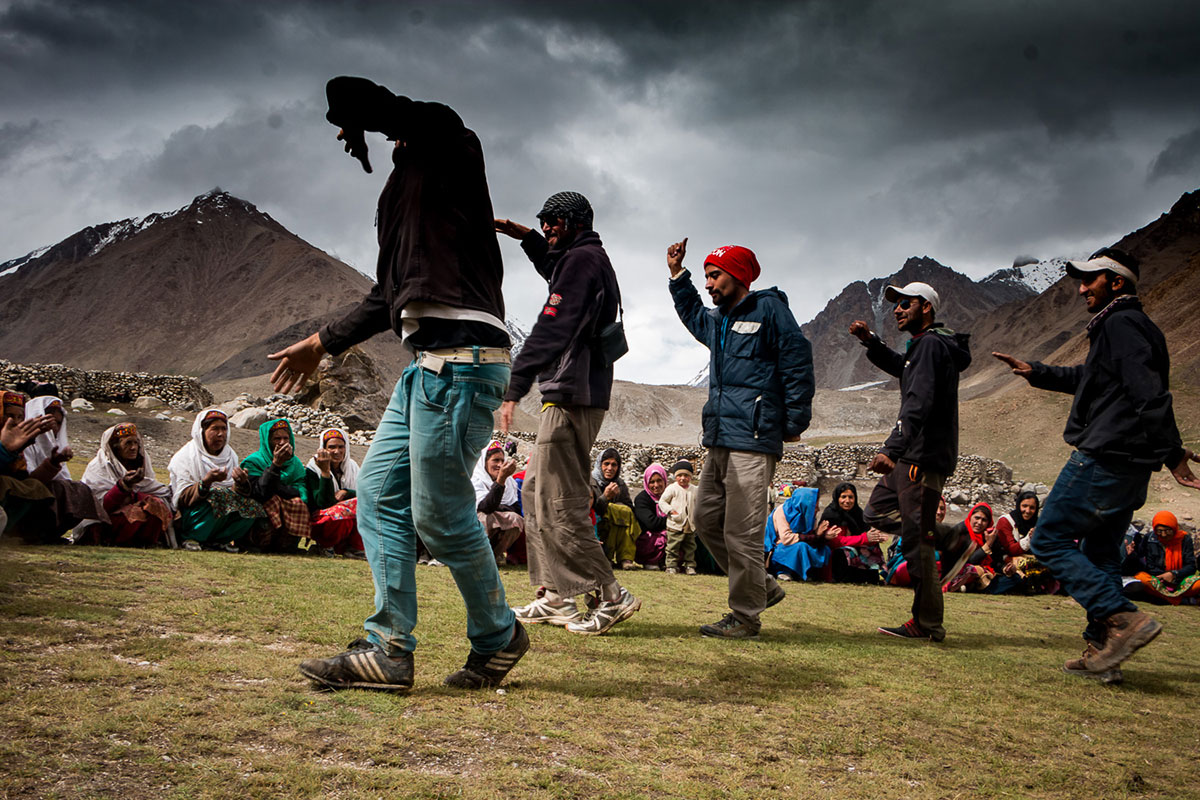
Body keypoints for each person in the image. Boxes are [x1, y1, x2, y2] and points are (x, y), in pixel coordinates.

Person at [274, 76, 526, 692]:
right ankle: (389, 648)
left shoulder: (450, 139)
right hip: (425, 372)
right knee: (380, 497)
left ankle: (497, 635)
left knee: (440, 516)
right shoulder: (398, 196)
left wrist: (353, 114)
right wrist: (318, 343)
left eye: (345, 124)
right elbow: (385, 296)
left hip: (463, 363)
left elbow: (368, 98)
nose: (343, 132)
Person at [993, 246, 1200, 683]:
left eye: (1091, 280)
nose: (1083, 288)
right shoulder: (1133, 327)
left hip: (1105, 456)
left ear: (1117, 282)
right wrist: (1038, 372)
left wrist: (1173, 454)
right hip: (1129, 466)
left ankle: (1121, 617)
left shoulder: (1121, 324)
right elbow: (1093, 380)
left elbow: (1148, 394)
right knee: (1102, 553)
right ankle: (1105, 651)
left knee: (1048, 539)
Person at [496, 191, 641, 636]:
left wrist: (514, 388)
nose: (546, 229)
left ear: (577, 221)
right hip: (568, 394)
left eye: (554, 222)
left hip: (572, 396)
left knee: (560, 501)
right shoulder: (581, 260)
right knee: (537, 493)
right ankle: (555, 595)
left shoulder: (582, 262)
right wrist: (529, 241)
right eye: (542, 223)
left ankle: (612, 595)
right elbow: (558, 267)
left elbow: (553, 325)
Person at [666, 237, 815, 638]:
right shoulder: (718, 321)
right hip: (718, 436)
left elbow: (797, 361)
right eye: (706, 277)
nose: (710, 283)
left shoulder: (769, 309)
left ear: (738, 275)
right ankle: (762, 587)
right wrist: (679, 277)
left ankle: (746, 616)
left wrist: (793, 422)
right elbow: (694, 314)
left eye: (714, 275)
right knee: (704, 518)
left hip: (752, 437)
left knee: (742, 531)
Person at [850, 281, 974, 640]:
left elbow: (917, 400)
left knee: (918, 544)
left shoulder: (932, 345)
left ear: (926, 307)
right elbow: (905, 370)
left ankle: (927, 623)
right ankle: (951, 536)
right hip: (916, 455)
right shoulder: (925, 347)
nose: (898, 309)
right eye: (896, 304)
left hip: (920, 455)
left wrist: (892, 449)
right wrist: (871, 341)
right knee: (874, 512)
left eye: (906, 303)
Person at [168, 408, 264, 551]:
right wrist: (206, 483)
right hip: (191, 514)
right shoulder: (186, 456)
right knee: (218, 494)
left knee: (252, 507)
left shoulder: (230, 456)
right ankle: (192, 537)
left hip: (219, 508)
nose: (220, 434)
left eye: (224, 429)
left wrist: (241, 483)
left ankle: (219, 540)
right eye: (214, 429)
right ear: (202, 431)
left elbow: (233, 492)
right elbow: (182, 498)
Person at [78, 423, 175, 548]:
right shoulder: (99, 467)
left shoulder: (141, 463)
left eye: (136, 443)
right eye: (128, 443)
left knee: (156, 504)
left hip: (132, 512)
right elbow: (100, 505)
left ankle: (147, 542)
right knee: (138, 511)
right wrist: (124, 486)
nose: (134, 447)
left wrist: (142, 498)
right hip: (106, 520)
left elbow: (153, 487)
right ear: (115, 446)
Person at [22, 395, 104, 540]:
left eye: (58, 423)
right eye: (48, 421)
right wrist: (51, 465)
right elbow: (27, 484)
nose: (53, 428)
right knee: (56, 490)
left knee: (78, 490)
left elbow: (65, 480)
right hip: (23, 500)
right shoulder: (24, 445)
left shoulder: (55, 446)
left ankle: (49, 534)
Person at [241, 419, 327, 552]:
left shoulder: (295, 464)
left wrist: (279, 489)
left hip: (288, 508)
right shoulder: (254, 462)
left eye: (285, 438)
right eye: (277, 439)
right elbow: (261, 492)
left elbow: (301, 489)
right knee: (273, 501)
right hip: (260, 516)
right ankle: (257, 544)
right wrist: (276, 464)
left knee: (297, 503)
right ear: (267, 441)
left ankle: (287, 545)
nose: (282, 443)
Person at [1, 393, 55, 540]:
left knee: (35, 487)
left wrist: (53, 464)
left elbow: (25, 478)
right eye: (9, 415)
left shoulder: (18, 442)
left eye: (20, 417)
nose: (15, 422)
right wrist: (4, 449)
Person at [306, 428, 364, 558]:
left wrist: (346, 492)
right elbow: (322, 502)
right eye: (331, 447)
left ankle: (354, 548)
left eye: (341, 447)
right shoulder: (313, 468)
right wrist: (325, 472)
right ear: (323, 448)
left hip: (346, 517)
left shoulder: (353, 467)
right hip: (322, 518)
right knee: (342, 514)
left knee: (364, 507)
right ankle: (325, 545)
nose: (337, 452)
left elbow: (364, 493)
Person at [1122, 510, 1199, 605]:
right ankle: (1180, 600)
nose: (1163, 535)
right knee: (1142, 579)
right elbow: (1140, 563)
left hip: (1179, 580)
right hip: (1157, 579)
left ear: (1174, 528)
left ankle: (1165, 598)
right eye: (1159, 531)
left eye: (1167, 531)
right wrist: (1131, 554)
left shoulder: (1184, 539)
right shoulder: (1149, 539)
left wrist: (1173, 574)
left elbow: (1191, 566)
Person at [817, 482, 887, 584]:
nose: (847, 501)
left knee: (873, 547)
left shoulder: (858, 514)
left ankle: (872, 576)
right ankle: (848, 577)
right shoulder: (830, 515)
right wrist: (864, 538)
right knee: (844, 552)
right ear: (837, 498)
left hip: (853, 548)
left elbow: (865, 535)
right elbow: (835, 542)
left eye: (851, 497)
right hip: (835, 553)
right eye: (843, 497)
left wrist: (875, 538)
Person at [988, 492, 1056, 595]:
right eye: (1024, 506)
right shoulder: (1006, 521)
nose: (1027, 511)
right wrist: (1029, 538)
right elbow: (1011, 549)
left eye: (1032, 508)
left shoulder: (1037, 523)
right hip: (1006, 561)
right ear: (1018, 505)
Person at [471, 440, 524, 567]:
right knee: (484, 517)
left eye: (502, 461)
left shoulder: (510, 482)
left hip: (495, 518)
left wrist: (503, 480)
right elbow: (486, 507)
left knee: (515, 519)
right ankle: (473, 556)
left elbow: (515, 509)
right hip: (472, 528)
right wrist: (500, 481)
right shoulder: (475, 479)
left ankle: (491, 557)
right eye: (495, 460)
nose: (500, 465)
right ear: (484, 462)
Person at [590, 447, 640, 570]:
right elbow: (590, 510)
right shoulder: (590, 482)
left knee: (623, 512)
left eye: (614, 465)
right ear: (599, 464)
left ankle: (626, 558)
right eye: (606, 464)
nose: (610, 468)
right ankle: (606, 557)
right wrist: (605, 498)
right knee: (612, 510)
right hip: (596, 527)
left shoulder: (620, 484)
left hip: (618, 527)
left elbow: (630, 510)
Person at [765, 486, 826, 582]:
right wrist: (814, 536)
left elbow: (811, 533)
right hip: (781, 547)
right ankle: (784, 571)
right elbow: (786, 538)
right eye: (815, 506)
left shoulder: (807, 513)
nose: (817, 509)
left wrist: (820, 534)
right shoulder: (783, 511)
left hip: (800, 543)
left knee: (824, 549)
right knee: (801, 547)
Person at [657, 459, 700, 575]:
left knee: (690, 547)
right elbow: (662, 502)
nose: (682, 478)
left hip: (690, 524)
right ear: (675, 476)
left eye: (686, 475)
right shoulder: (672, 488)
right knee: (672, 546)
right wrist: (671, 511)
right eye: (679, 475)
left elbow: (699, 504)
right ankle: (671, 565)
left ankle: (690, 565)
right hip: (675, 524)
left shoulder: (695, 490)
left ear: (690, 477)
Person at [631, 463, 669, 569]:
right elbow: (651, 523)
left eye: (659, 481)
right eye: (652, 482)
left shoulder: (670, 496)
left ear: (665, 480)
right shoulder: (642, 499)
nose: (656, 485)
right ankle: (652, 561)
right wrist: (673, 521)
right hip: (647, 540)